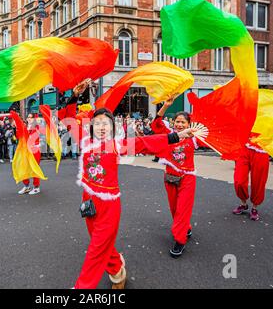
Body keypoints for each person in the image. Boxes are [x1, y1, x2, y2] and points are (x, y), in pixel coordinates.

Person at [61, 81, 195, 289]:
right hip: (88, 202)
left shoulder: (116, 145)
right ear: (91, 126)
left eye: (106, 123)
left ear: (112, 127)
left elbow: (146, 143)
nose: (102, 126)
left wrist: (176, 135)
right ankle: (117, 271)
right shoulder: (85, 141)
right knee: (102, 244)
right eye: (97, 123)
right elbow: (67, 120)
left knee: (96, 249)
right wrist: (74, 96)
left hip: (109, 207)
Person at [150, 96, 201, 258]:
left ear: (188, 125)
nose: (179, 124)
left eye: (183, 122)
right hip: (170, 177)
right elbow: (155, 125)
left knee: (182, 210)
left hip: (187, 178)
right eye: (177, 122)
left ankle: (180, 241)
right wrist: (165, 106)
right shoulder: (168, 135)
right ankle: (186, 228)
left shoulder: (194, 138)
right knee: (174, 209)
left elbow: (212, 138)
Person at [232, 135, 270, 221]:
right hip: (244, 148)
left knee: (259, 181)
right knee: (239, 181)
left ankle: (254, 208)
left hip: (262, 150)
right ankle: (243, 203)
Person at [17, 113, 42, 195]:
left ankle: (36, 187)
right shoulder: (25, 127)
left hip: (35, 150)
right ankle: (26, 186)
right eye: (28, 117)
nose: (29, 118)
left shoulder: (37, 126)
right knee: (24, 167)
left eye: (31, 117)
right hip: (26, 150)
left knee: (34, 168)